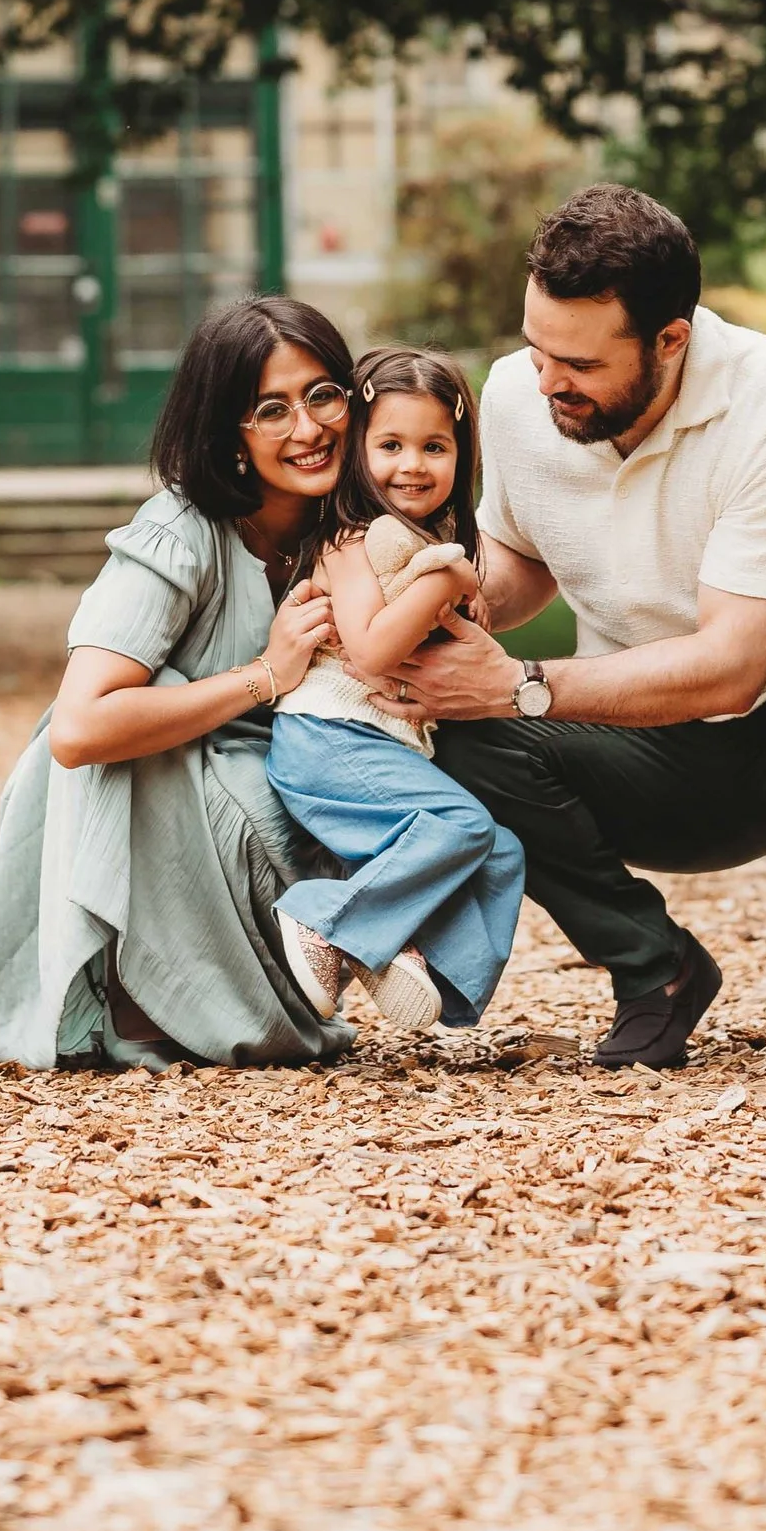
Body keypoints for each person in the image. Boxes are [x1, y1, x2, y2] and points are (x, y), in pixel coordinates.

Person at [406, 184, 766, 1072]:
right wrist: (448, 608)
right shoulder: (522, 394)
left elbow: (732, 666)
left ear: (672, 338)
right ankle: (653, 968)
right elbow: (522, 556)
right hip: (638, 746)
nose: (549, 379)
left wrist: (517, 683)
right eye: (535, 347)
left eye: (581, 364)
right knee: (451, 733)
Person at [0, 297, 361, 1068]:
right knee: (141, 696)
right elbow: (80, 728)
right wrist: (265, 674)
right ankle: (131, 988)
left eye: (323, 394)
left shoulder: (358, 525)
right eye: (272, 408)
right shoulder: (180, 533)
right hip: (165, 795)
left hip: (305, 800)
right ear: (231, 432)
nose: (309, 427)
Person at [267, 346, 527, 1038]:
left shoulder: (424, 541)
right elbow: (374, 649)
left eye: (433, 445)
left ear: (460, 453)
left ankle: (417, 962)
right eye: (390, 444)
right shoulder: (352, 538)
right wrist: (447, 580)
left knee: (501, 850)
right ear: (357, 447)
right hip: (327, 738)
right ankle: (324, 918)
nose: (412, 464)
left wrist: (452, 580)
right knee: (462, 827)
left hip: (374, 748)